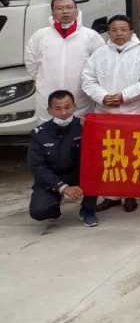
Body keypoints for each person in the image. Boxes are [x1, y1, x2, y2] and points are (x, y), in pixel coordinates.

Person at [81, 15, 140, 213]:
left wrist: (124, 96)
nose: (119, 33)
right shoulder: (99, 54)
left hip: (133, 112)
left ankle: (130, 193)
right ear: (108, 32)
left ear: (131, 32)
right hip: (105, 112)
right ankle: (111, 195)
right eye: (114, 30)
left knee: (132, 154)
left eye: (123, 29)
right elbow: (88, 79)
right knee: (109, 154)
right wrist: (103, 97)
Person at [24, 0, 104, 123]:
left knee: (79, 130)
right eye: (60, 8)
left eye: (69, 7)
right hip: (48, 96)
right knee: (48, 130)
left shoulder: (90, 36)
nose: (65, 11)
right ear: (53, 12)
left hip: (80, 98)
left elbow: (101, 65)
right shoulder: (40, 36)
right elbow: (31, 63)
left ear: (76, 11)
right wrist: (44, 81)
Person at [27, 90, 98, 227]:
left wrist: (92, 128)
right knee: (39, 211)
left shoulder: (85, 126)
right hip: (53, 177)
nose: (64, 113)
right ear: (49, 110)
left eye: (67, 107)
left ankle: (88, 210)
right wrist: (62, 187)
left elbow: (98, 153)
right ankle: (54, 209)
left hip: (79, 174)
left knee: (95, 171)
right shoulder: (40, 134)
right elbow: (37, 167)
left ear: (74, 107)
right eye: (58, 108)